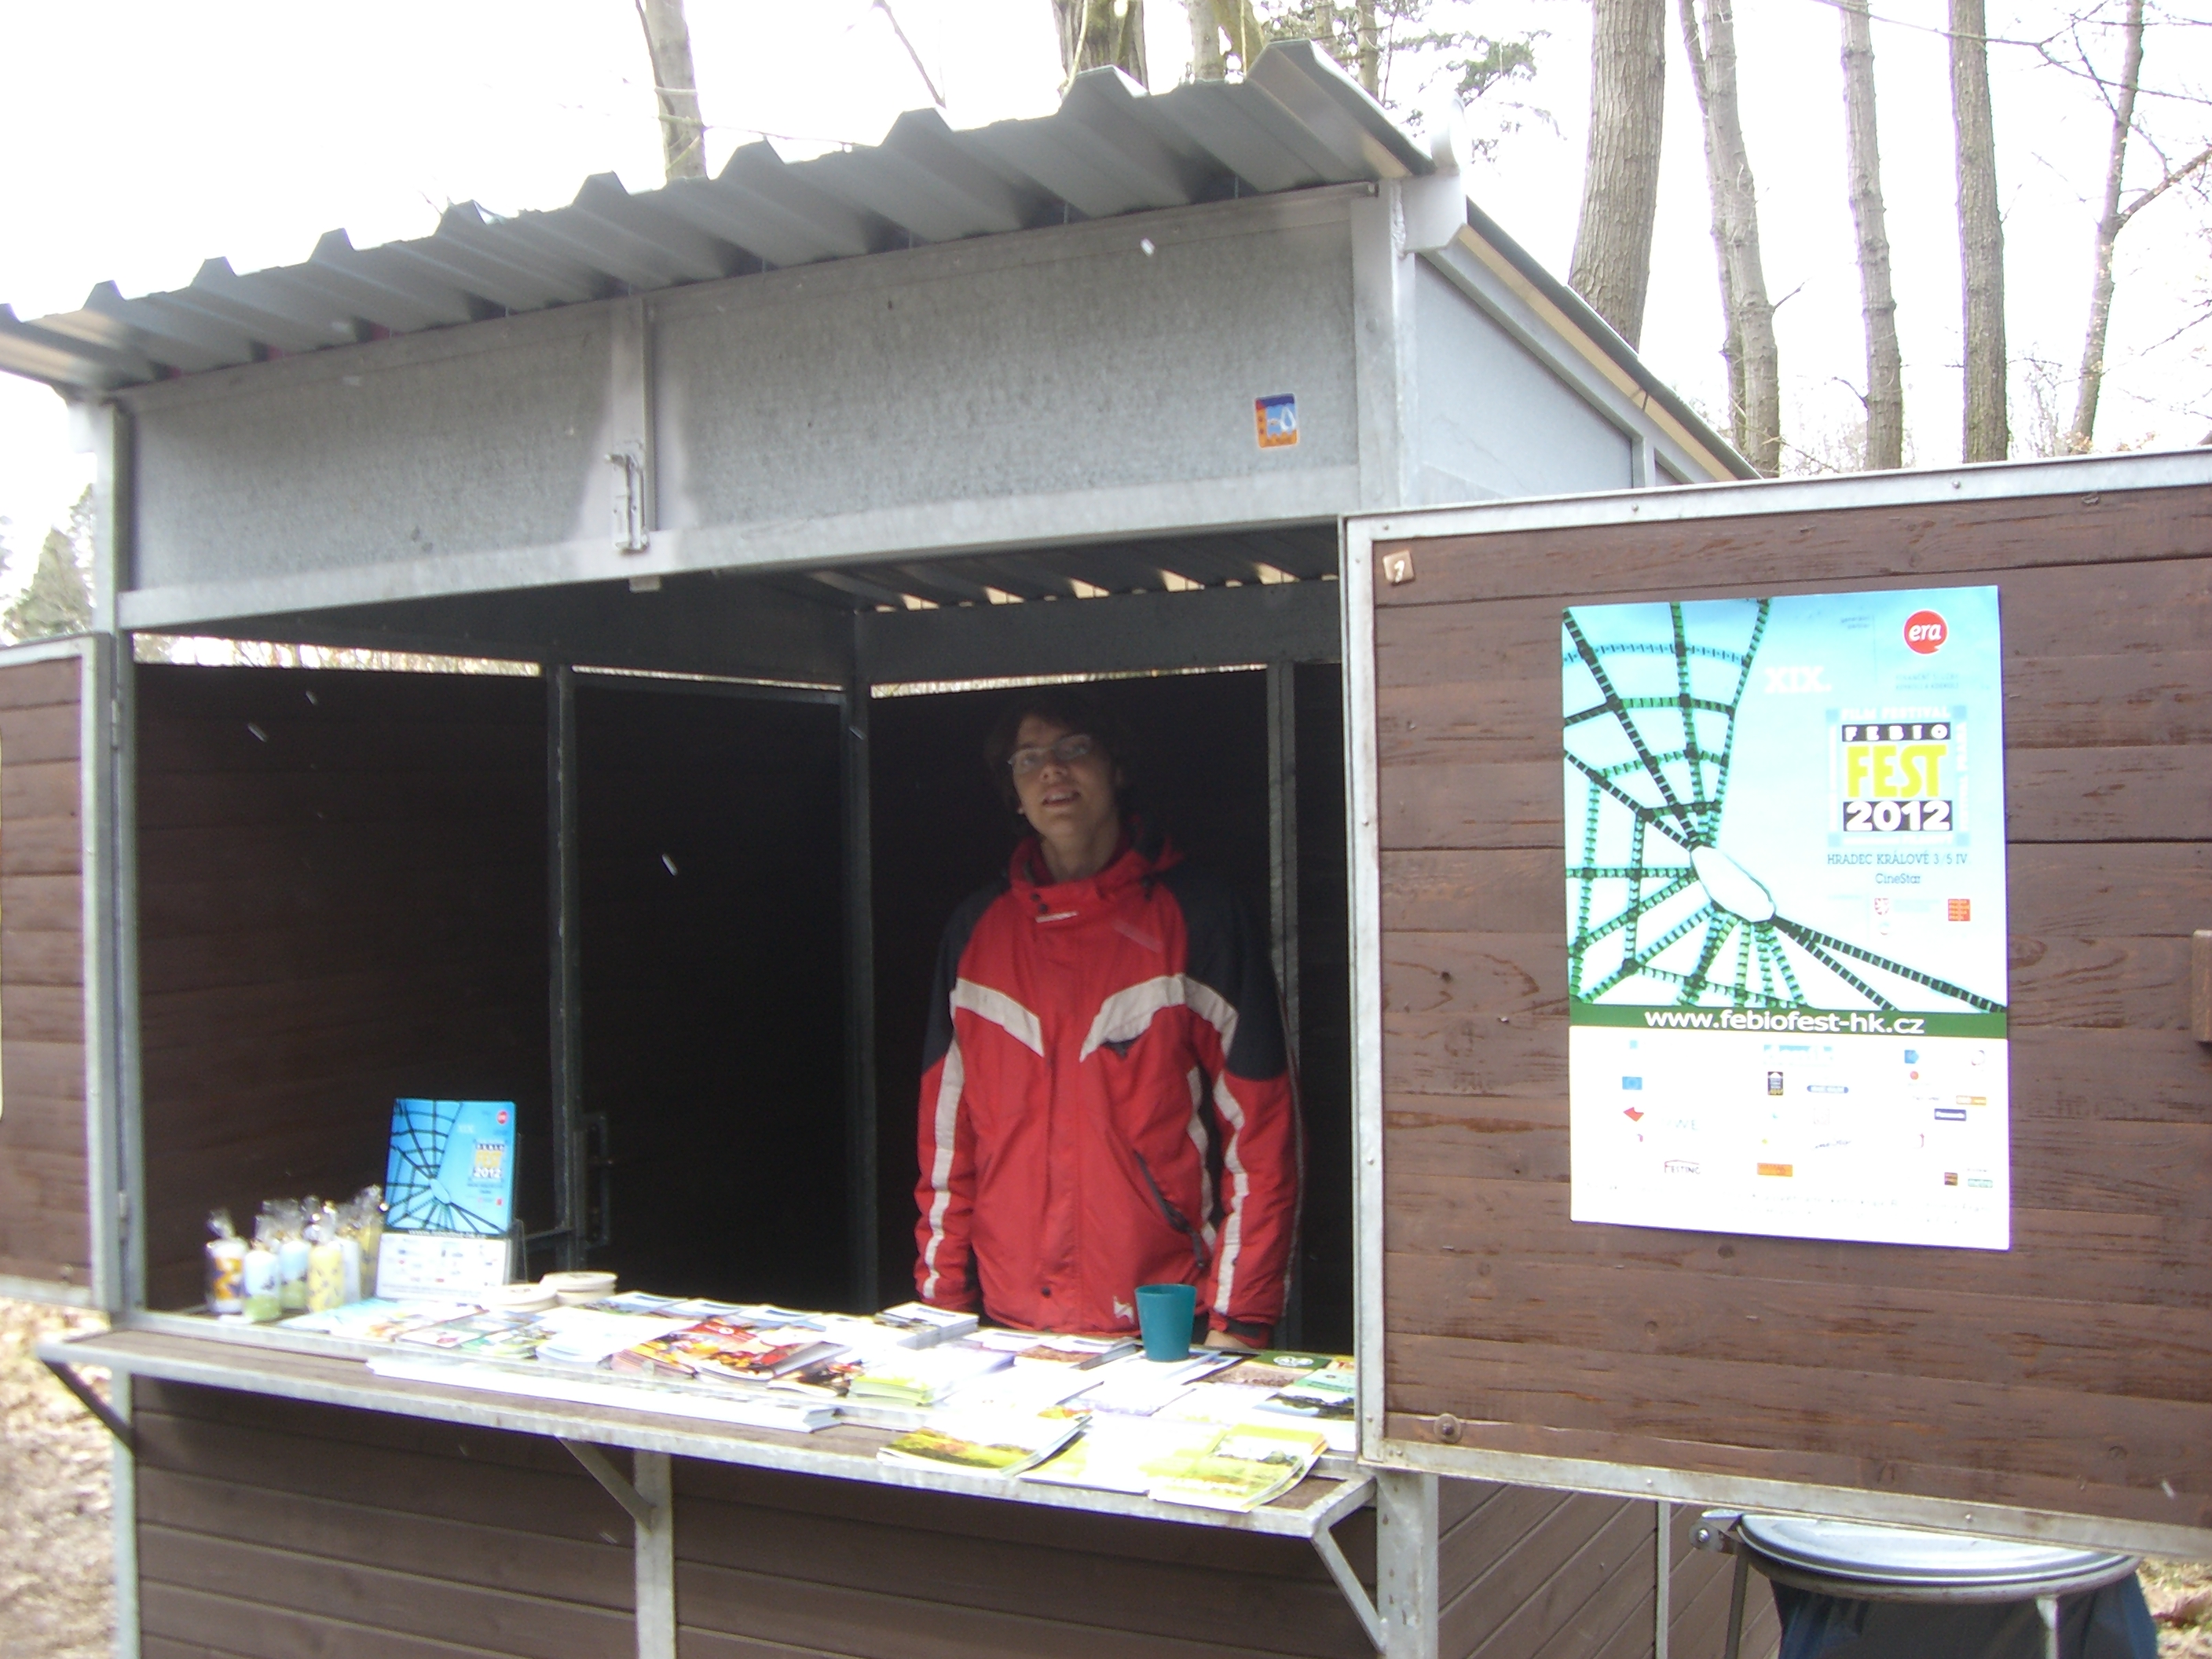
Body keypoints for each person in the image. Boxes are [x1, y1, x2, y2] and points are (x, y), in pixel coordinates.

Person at [912, 688, 1301, 1350]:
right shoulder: (977, 931)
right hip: (1009, 1324)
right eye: (1028, 758)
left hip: (1169, 1325)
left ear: (1117, 767)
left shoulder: (1199, 916)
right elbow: (947, 1140)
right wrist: (940, 1305)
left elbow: (1263, 1135)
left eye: (1074, 749)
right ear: (1014, 793)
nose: (1051, 770)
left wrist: (1240, 1320)